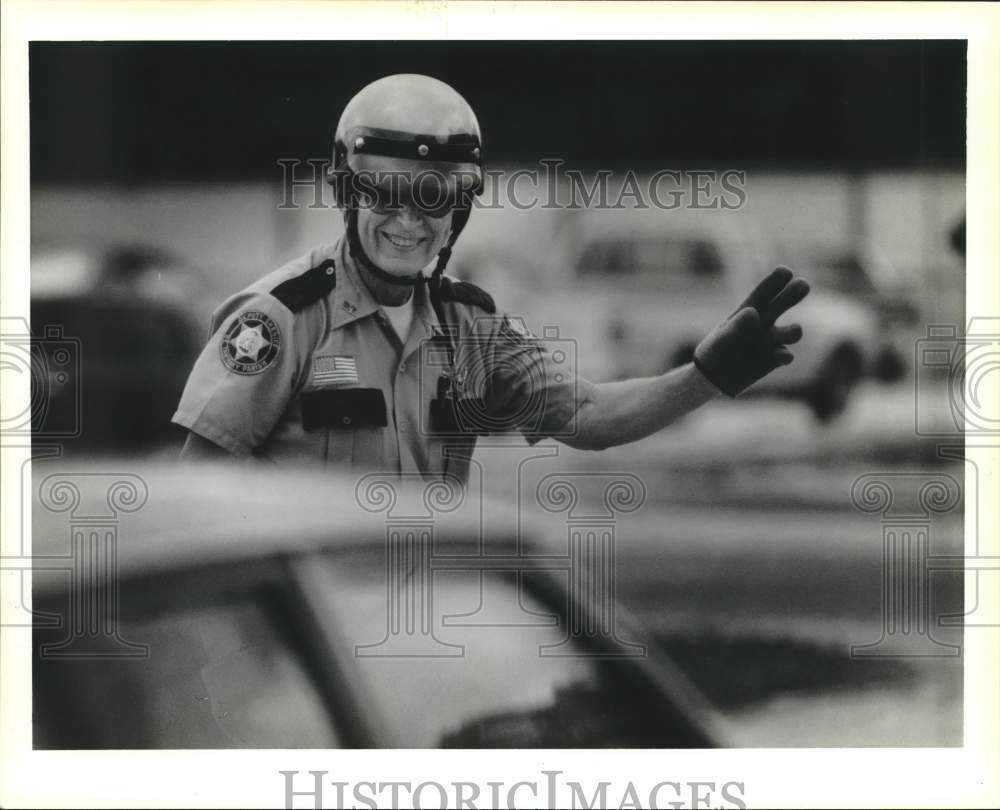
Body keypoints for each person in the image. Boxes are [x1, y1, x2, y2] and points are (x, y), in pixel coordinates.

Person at [174, 74, 809, 485]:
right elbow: (199, 489)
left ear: (459, 211)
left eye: (432, 197)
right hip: (310, 647)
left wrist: (702, 378)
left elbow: (585, 414)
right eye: (385, 193)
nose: (408, 220)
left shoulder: (470, 328)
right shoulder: (279, 318)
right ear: (347, 193)